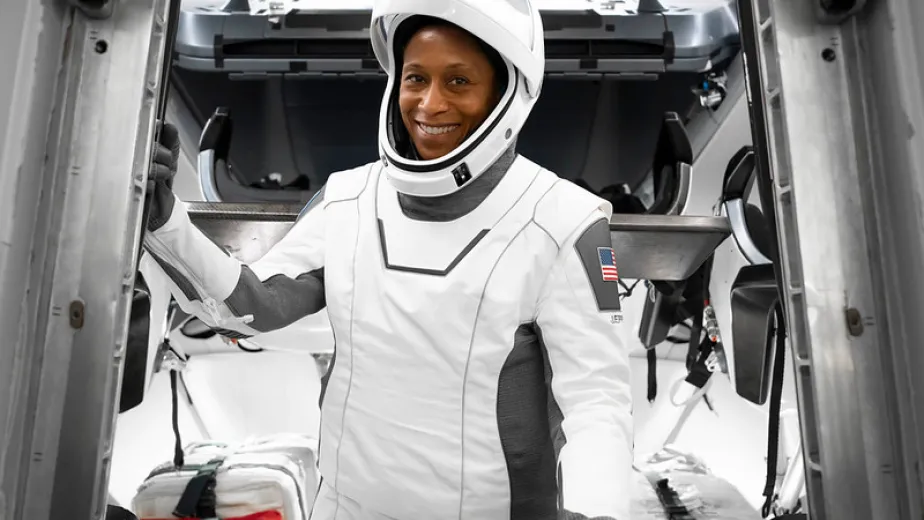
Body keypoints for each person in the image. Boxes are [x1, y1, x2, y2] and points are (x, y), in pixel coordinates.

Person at [143, 0, 633, 518]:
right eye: (415, 77)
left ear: (505, 94)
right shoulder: (349, 198)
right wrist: (164, 220)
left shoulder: (563, 220)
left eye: (459, 81)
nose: (429, 103)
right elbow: (250, 308)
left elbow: (596, 405)